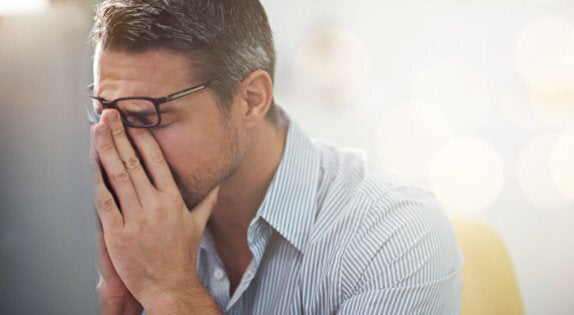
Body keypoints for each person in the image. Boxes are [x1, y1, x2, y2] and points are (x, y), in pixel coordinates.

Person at [88, 0, 463, 313]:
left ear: (251, 101)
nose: (119, 146)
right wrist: (119, 305)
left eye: (147, 116)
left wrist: (171, 290)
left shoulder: (395, 234)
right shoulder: (124, 234)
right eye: (104, 112)